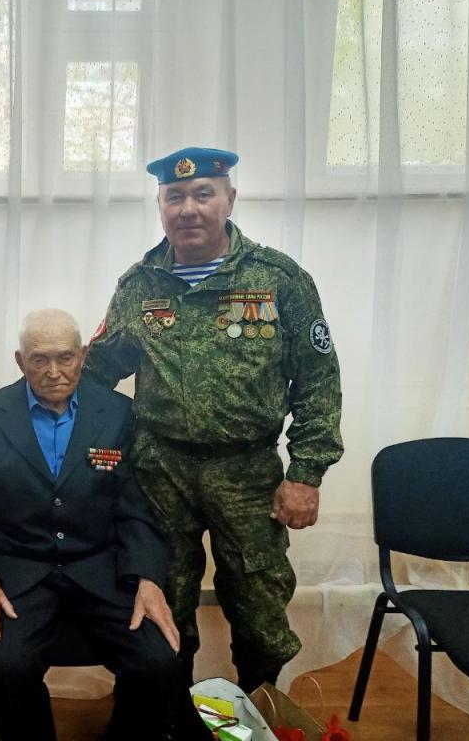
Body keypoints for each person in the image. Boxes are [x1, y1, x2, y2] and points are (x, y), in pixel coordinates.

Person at [84, 146, 343, 692]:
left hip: (247, 473)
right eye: (174, 197)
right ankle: (169, 717)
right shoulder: (139, 285)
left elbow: (318, 380)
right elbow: (97, 373)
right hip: (161, 471)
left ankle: (258, 709)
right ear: (160, 205)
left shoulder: (279, 279)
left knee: (259, 607)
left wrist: (306, 473)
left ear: (230, 199)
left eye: (203, 194)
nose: (189, 209)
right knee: (163, 602)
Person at [0, 309, 211, 741]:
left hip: (101, 570)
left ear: (82, 356)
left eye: (65, 357)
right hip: (19, 571)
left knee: (158, 661)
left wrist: (148, 579)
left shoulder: (117, 412)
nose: (54, 372)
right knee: (7, 666)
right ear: (21, 361)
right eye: (39, 359)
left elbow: (135, 506)